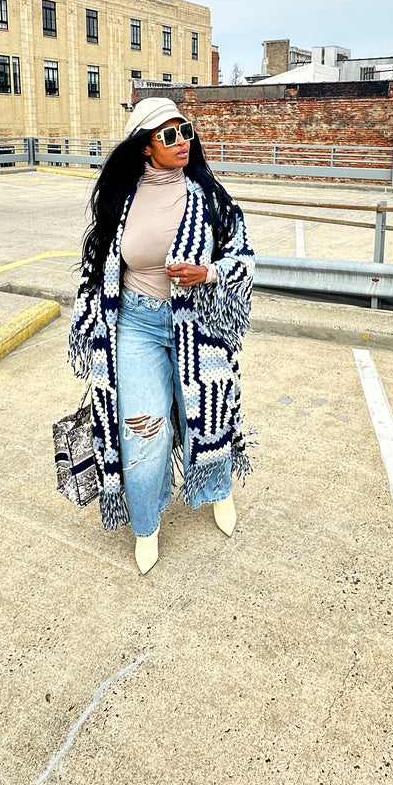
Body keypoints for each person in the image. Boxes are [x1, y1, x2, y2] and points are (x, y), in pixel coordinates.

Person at [68, 98, 254, 574]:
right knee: (144, 427)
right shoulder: (123, 200)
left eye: (185, 130)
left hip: (196, 325)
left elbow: (245, 255)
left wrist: (209, 273)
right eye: (169, 136)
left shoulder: (209, 199)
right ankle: (147, 525)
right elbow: (101, 267)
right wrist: (93, 321)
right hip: (135, 325)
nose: (182, 142)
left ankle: (217, 487)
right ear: (146, 147)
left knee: (204, 419)